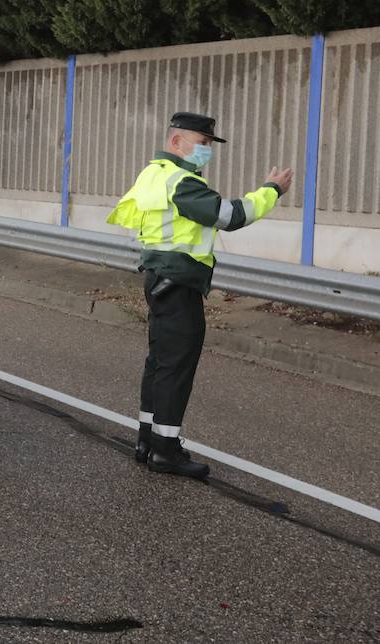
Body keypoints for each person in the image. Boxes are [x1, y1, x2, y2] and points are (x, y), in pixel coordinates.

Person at [107, 112, 293, 478]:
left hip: (160, 279)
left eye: (209, 145)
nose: (207, 151)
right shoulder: (181, 182)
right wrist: (271, 189)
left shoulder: (154, 174)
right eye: (203, 143)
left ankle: (146, 439)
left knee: (159, 362)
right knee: (176, 366)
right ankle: (166, 450)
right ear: (177, 142)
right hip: (178, 284)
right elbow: (230, 216)